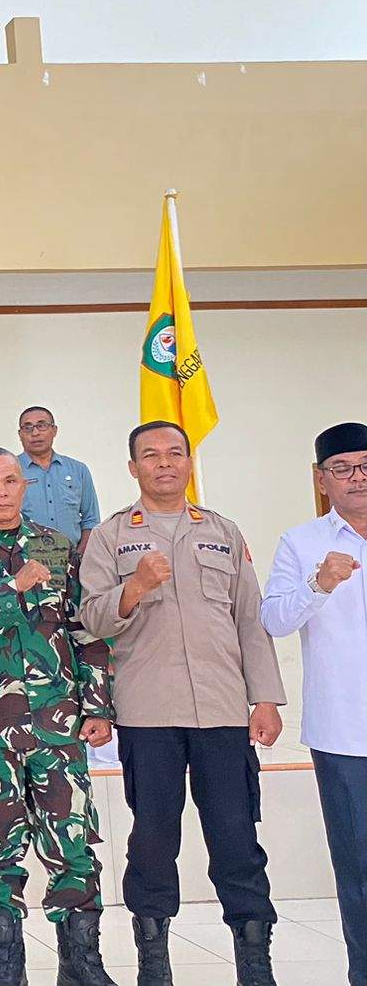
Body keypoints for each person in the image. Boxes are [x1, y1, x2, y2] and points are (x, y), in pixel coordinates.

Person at [79, 421, 286, 985]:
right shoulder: (110, 536)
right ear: (133, 468)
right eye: (151, 455)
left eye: (175, 453)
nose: (164, 463)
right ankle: (154, 964)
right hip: (148, 714)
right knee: (152, 840)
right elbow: (91, 619)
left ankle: (254, 963)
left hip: (222, 711)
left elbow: (249, 619)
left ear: (189, 462)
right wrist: (136, 586)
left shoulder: (223, 530)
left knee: (237, 838)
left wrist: (264, 698)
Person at [0, 447, 116, 986]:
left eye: (11, 480)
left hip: (59, 723)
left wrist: (97, 705)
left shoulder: (57, 547)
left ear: (24, 485)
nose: (3, 491)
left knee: (73, 837)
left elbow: (86, 631)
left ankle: (81, 963)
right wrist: (13, 587)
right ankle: (7, 967)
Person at [263, 421, 367, 986]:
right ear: (322, 480)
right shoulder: (302, 542)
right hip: (347, 734)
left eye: (366, 465)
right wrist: (319, 584)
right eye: (344, 468)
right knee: (360, 872)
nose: (358, 477)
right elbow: (273, 619)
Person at [16, 407, 101, 556]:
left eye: (41, 425)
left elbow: (91, 520)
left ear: (54, 430)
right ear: (20, 434)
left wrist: (79, 557)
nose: (35, 433)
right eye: (28, 427)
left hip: (72, 561)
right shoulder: (10, 471)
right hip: (23, 560)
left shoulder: (78, 470)